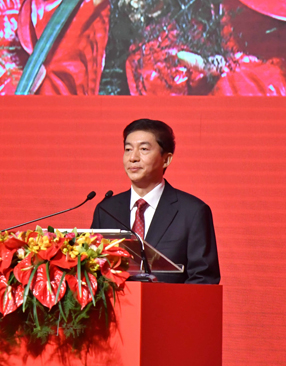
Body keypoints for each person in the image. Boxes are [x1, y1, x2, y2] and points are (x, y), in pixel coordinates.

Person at [91, 119, 220, 284]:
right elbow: (93, 271)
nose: (133, 158)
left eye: (143, 149)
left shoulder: (192, 212)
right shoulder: (106, 210)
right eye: (128, 149)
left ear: (166, 159)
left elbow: (203, 279)